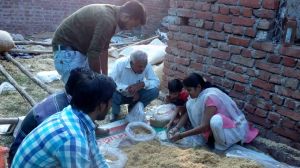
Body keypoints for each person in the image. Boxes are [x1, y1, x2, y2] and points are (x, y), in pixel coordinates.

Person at [11, 68, 116, 167]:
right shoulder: (74, 140)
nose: (111, 105)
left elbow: (96, 156)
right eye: (111, 101)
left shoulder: (75, 114)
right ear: (102, 106)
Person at [52, 0, 146, 83]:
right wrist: (99, 81)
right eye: (133, 26)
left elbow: (103, 49)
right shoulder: (107, 20)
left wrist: (105, 77)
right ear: (126, 17)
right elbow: (93, 53)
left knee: (88, 90)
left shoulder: (113, 16)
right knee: (80, 93)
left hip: (76, 51)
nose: (130, 29)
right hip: (67, 52)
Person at [169, 73, 259, 151]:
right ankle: (214, 140)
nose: (187, 93)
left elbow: (204, 127)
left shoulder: (210, 97)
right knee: (190, 105)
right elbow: (187, 113)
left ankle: (222, 146)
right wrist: (176, 128)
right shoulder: (194, 97)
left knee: (216, 120)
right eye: (186, 90)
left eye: (189, 90)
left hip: (230, 129)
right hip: (215, 130)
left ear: (198, 87)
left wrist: (181, 135)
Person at [109, 50, 160, 122]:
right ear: (131, 63)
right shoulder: (120, 63)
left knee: (154, 91)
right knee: (110, 92)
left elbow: (156, 81)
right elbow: (110, 82)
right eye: (140, 67)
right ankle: (115, 113)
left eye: (144, 66)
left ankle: (133, 108)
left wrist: (142, 84)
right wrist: (127, 88)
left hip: (137, 95)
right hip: (120, 94)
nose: (142, 69)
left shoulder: (146, 65)